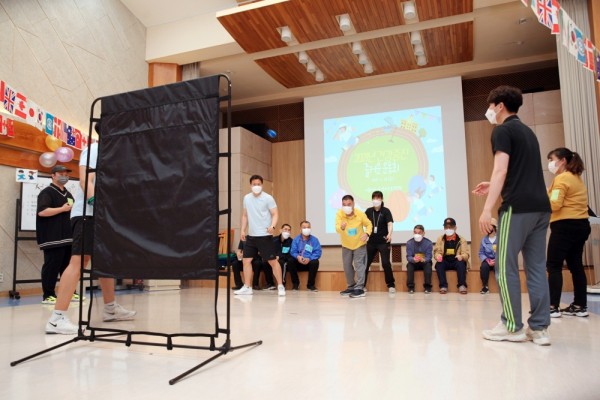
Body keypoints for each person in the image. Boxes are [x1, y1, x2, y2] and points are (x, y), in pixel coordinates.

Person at [473, 85, 552, 346]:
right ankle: (539, 329)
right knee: (536, 268)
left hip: (516, 209)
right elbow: (520, 171)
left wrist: (487, 209)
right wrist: (493, 184)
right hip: (541, 208)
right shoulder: (528, 132)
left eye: (490, 106)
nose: (489, 111)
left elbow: (502, 170)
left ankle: (511, 325)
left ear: (499, 106)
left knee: (505, 268)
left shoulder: (502, 131)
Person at [46, 134, 136, 335]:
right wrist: (95, 203)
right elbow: (85, 179)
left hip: (102, 216)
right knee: (79, 262)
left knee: (105, 261)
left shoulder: (112, 154)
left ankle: (110, 309)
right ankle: (56, 318)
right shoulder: (95, 149)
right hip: (88, 214)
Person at [546, 148, 591, 318]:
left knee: (554, 265)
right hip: (581, 225)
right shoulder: (576, 177)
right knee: (576, 265)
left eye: (552, 159)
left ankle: (552, 306)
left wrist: (543, 198)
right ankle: (580, 305)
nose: (550, 163)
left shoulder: (562, 178)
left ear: (563, 160)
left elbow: (555, 204)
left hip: (564, 226)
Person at [234, 175, 285, 296]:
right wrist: (242, 230)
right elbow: (245, 215)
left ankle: (280, 286)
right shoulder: (246, 198)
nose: (256, 186)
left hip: (264, 235)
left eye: (258, 184)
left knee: (272, 261)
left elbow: (275, 214)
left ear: (262, 185)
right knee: (246, 261)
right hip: (251, 236)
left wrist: (272, 226)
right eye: (254, 184)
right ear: (250, 185)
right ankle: (247, 287)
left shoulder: (268, 198)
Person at [36, 165, 77, 304]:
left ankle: (70, 293)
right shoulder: (47, 192)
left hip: (68, 237)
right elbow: (42, 212)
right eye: (61, 174)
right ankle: (48, 295)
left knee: (68, 268)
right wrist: (62, 209)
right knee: (51, 267)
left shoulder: (68, 194)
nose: (64, 176)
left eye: (66, 174)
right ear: (53, 175)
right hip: (52, 238)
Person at [336, 195, 372, 298]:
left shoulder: (360, 214)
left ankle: (360, 288)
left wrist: (367, 234)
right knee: (347, 266)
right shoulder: (339, 214)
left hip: (359, 244)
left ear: (353, 204)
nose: (346, 207)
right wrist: (341, 227)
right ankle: (351, 286)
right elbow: (337, 228)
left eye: (349, 204)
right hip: (346, 244)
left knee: (359, 265)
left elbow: (369, 224)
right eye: (344, 205)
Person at [364, 191, 395, 293]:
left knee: (385, 263)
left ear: (382, 199)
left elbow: (390, 224)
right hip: (371, 242)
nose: (376, 200)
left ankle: (391, 285)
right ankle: (361, 285)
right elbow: (362, 223)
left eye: (378, 198)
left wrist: (389, 234)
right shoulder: (368, 211)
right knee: (365, 263)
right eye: (374, 198)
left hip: (383, 242)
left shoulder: (386, 211)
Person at [433, 218, 470, 294]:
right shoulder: (440, 239)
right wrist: (438, 256)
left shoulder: (461, 239)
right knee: (439, 264)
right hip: (445, 260)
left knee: (461, 263)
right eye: (446, 227)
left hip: (456, 260)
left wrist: (462, 257)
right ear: (444, 228)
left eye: (450, 227)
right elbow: (436, 251)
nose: (448, 229)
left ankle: (462, 285)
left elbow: (466, 254)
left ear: (455, 228)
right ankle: (443, 286)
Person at [290, 220, 322, 291]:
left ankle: (310, 285)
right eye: (304, 227)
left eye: (308, 227)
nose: (306, 229)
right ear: (300, 229)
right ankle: (295, 284)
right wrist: (298, 257)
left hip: (309, 263)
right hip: (298, 262)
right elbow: (293, 251)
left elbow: (318, 252)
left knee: (315, 262)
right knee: (290, 261)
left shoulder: (315, 240)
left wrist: (309, 258)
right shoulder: (296, 239)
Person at [405, 224, 433, 294]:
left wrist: (424, 259)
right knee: (409, 265)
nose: (417, 234)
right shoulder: (409, 243)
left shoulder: (428, 243)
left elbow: (429, 256)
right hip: (414, 262)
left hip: (424, 262)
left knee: (428, 265)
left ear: (423, 233)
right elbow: (409, 256)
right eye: (415, 232)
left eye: (419, 233)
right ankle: (411, 287)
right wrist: (413, 259)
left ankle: (427, 287)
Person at [478, 218, 498, 295]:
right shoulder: (484, 240)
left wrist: (497, 260)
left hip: (498, 260)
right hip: (487, 260)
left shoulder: (500, 239)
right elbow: (481, 253)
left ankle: (502, 287)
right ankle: (485, 287)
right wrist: (487, 260)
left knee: (499, 267)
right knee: (484, 267)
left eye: (489, 226)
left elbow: (504, 251)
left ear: (494, 227)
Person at [274, 224, 295, 289]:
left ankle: (282, 283)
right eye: (285, 229)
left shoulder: (291, 241)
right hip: (273, 259)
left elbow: (290, 253)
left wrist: (279, 257)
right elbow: (269, 250)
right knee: (265, 262)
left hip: (284, 259)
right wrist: (274, 257)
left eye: (289, 230)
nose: (287, 231)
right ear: (280, 230)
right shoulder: (273, 240)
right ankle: (270, 283)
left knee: (282, 263)